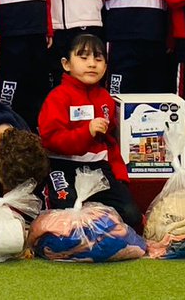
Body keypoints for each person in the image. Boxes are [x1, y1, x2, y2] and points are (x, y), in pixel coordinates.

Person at [38, 33, 142, 232]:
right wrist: (86, 132)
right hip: (63, 166)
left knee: (131, 214)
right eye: (83, 57)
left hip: (98, 168)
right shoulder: (57, 97)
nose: (92, 64)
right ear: (66, 64)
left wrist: (120, 177)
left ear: (106, 66)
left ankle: (102, 238)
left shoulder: (106, 99)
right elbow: (51, 140)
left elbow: (110, 142)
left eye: (98, 59)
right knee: (67, 215)